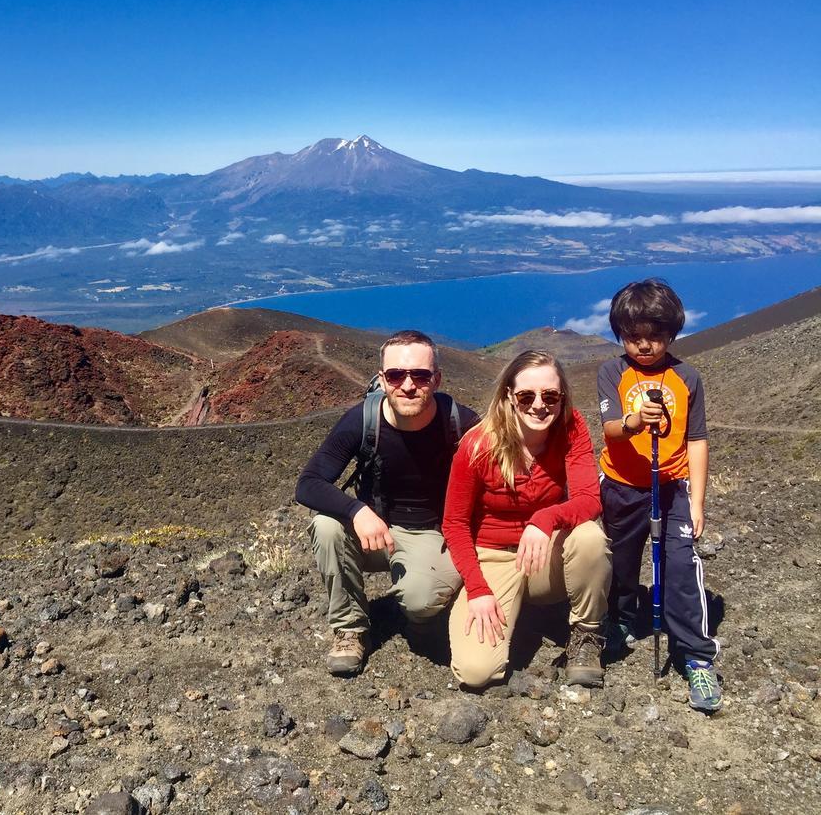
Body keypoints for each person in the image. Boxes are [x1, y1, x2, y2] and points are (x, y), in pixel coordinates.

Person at [296, 329, 479, 676]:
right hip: (372, 529)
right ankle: (349, 628)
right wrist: (356, 510)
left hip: (432, 532)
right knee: (326, 525)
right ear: (382, 379)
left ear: (436, 379)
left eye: (420, 375)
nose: (408, 385)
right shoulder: (363, 420)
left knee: (421, 601)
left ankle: (423, 617)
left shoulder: (461, 423)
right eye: (396, 375)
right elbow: (308, 483)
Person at [443, 350, 611, 688]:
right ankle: (513, 609)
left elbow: (589, 500)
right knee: (477, 672)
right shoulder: (477, 445)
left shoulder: (571, 427)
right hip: (493, 555)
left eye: (551, 395)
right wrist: (477, 589)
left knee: (589, 537)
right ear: (508, 396)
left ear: (562, 397)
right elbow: (455, 523)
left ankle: (586, 635)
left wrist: (545, 519)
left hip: (545, 551)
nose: (539, 405)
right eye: (526, 396)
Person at [598, 278, 720, 711]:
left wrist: (698, 500)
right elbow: (610, 428)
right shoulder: (612, 372)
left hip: (673, 488)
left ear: (672, 334)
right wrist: (633, 421)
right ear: (621, 334)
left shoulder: (687, 377)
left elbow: (697, 438)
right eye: (634, 337)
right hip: (622, 486)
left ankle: (696, 656)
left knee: (682, 567)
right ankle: (622, 619)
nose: (645, 346)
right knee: (621, 561)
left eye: (656, 336)